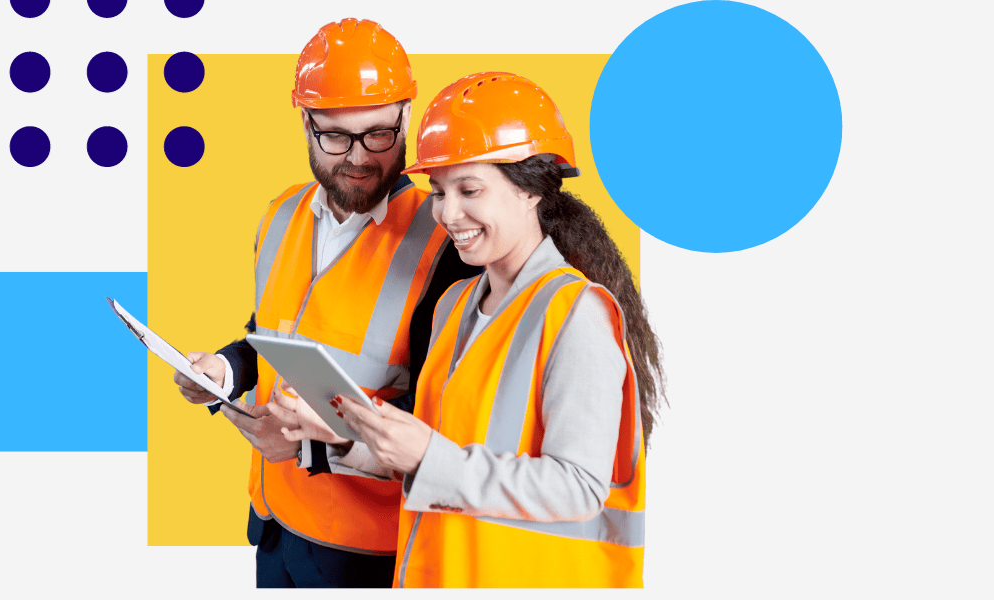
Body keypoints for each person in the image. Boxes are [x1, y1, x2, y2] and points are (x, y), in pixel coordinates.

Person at [272, 72, 666, 587]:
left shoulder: (577, 315)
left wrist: (428, 455)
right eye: (439, 191)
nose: (448, 213)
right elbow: (437, 457)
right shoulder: (454, 305)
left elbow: (579, 488)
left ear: (531, 190)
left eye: (470, 190)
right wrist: (346, 440)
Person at [170, 20, 481, 588]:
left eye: (378, 134)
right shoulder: (281, 214)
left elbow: (446, 422)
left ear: (406, 117)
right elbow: (269, 335)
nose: (358, 158)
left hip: (365, 551)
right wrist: (225, 370)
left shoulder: (449, 245)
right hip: (273, 525)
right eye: (336, 136)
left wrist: (309, 444)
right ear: (305, 123)